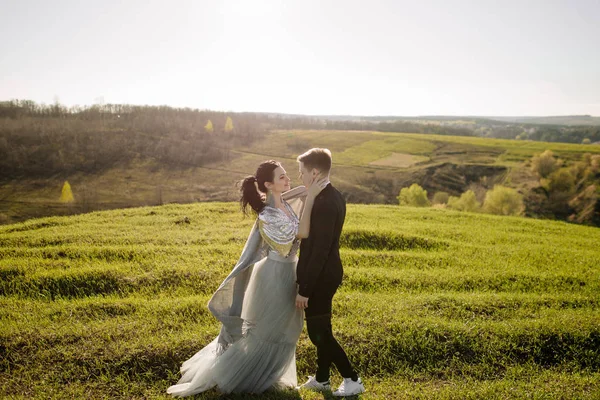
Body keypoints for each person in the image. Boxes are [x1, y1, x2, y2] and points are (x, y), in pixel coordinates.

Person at [167, 160, 327, 397]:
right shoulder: (267, 215)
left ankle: (269, 373)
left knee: (288, 329)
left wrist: (308, 188)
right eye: (282, 177)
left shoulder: (283, 203)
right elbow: (299, 235)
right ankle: (242, 375)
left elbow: (295, 194)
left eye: (286, 176)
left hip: (290, 273)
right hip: (274, 276)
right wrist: (311, 196)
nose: (288, 179)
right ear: (268, 184)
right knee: (269, 330)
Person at [295, 148, 366, 397]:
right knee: (323, 329)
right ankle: (322, 378)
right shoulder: (333, 195)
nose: (300, 177)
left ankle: (352, 378)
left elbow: (320, 251)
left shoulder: (325, 203)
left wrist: (305, 289)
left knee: (318, 334)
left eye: (302, 172)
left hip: (322, 276)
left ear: (314, 172)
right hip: (326, 272)